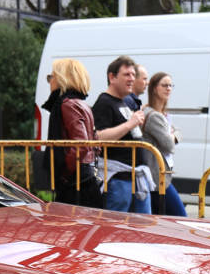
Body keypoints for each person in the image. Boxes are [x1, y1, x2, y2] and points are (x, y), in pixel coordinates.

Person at [92, 56, 151, 214]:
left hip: (135, 179)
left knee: (142, 230)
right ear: (112, 77)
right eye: (126, 74)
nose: (131, 78)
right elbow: (99, 137)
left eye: (133, 74)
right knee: (114, 232)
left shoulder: (122, 101)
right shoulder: (104, 102)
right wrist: (129, 124)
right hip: (118, 181)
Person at [40, 58, 102, 208]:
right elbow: (96, 144)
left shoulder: (67, 104)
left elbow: (81, 145)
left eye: (51, 77)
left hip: (76, 186)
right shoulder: (81, 103)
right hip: (86, 180)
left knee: (70, 229)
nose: (49, 82)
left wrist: (65, 174)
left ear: (62, 79)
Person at [142, 73, 188, 217]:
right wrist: (172, 136)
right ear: (154, 89)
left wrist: (172, 135)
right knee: (181, 217)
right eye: (164, 85)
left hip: (159, 177)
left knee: (158, 222)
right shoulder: (153, 116)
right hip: (157, 179)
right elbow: (169, 145)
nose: (168, 89)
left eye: (170, 85)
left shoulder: (161, 115)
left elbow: (178, 131)